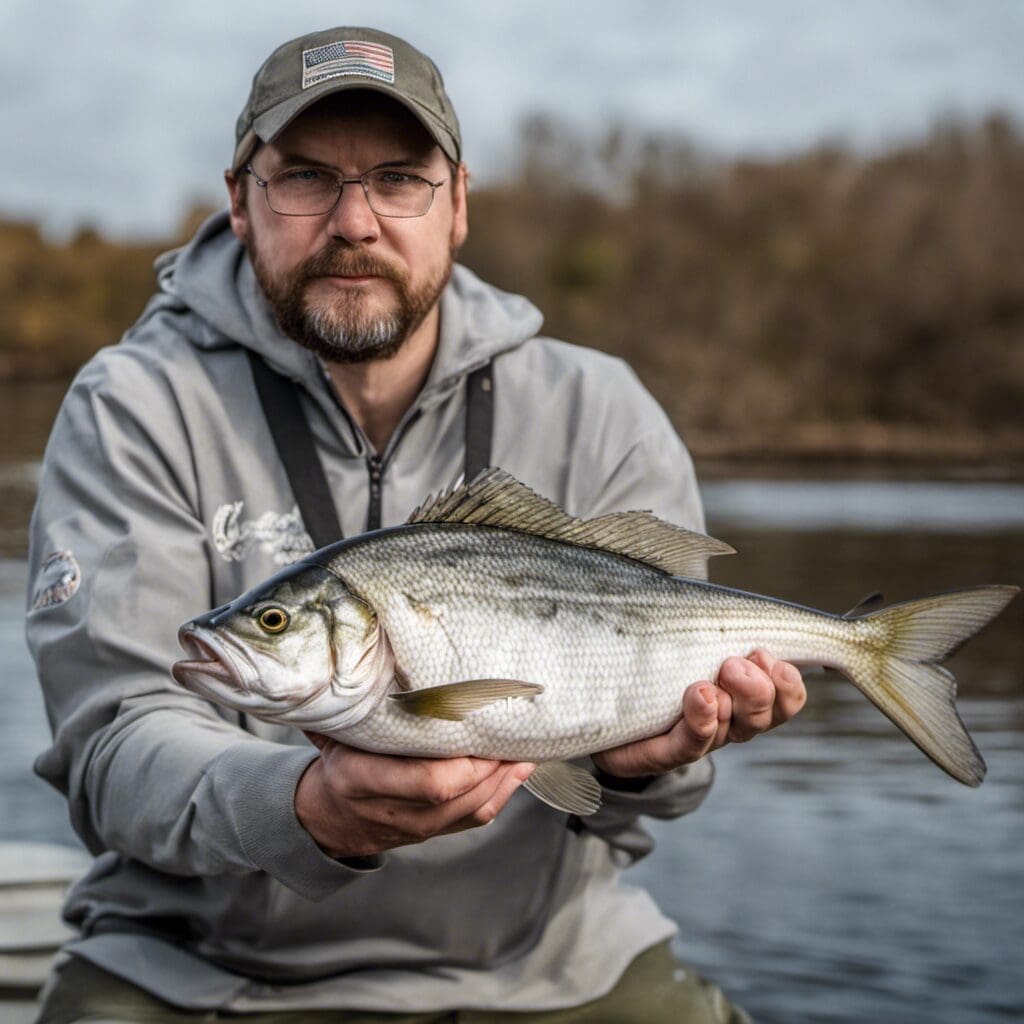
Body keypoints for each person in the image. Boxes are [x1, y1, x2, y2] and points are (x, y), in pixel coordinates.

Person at [28, 26, 807, 1023]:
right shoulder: (134, 404)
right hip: (190, 973)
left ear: (459, 202)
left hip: (550, 967)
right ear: (238, 198)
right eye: (304, 176)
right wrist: (303, 809)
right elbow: (112, 750)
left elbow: (654, 800)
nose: (353, 221)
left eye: (398, 179)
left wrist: (637, 757)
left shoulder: (601, 407)